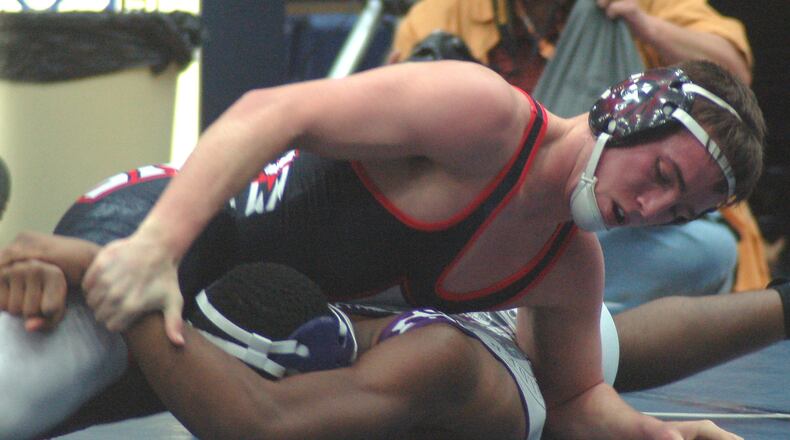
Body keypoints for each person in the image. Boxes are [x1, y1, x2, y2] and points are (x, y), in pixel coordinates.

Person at [53, 54, 762, 440]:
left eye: (683, 209)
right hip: (174, 225)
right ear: (627, 110)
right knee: (33, 385)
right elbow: (271, 111)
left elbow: (576, 398)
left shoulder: (569, 266)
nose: (652, 209)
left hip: (243, 313)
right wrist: (154, 247)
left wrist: (656, 436)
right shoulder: (484, 117)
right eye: (663, 175)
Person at [4, 238, 785, 439]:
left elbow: (252, 422)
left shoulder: (432, 363)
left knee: (603, 346)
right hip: (441, 332)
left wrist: (130, 298)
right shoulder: (341, 317)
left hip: (484, 380)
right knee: (614, 338)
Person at [388, 0, 767, 311]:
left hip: (608, 237)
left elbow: (732, 82)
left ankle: (530, 311)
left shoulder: (642, 5)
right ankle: (562, 316)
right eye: (663, 175)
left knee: (712, 250)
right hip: (491, 211)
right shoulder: (444, 17)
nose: (655, 207)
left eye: (670, 187)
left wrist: (643, 23)